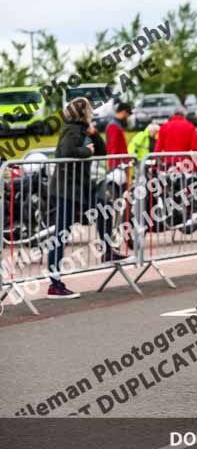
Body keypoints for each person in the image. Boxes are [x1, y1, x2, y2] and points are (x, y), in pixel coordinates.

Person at [46, 97, 126, 299]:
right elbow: (66, 152)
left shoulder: (82, 129)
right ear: (83, 112)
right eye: (89, 109)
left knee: (104, 206)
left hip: (79, 187)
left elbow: (103, 151)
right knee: (61, 234)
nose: (92, 111)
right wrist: (86, 151)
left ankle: (107, 248)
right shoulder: (71, 130)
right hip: (66, 189)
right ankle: (54, 284)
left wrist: (94, 135)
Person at [105, 102, 131, 169]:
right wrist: (114, 165)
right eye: (128, 115)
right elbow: (114, 146)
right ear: (124, 112)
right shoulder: (114, 125)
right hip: (118, 163)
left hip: (120, 162)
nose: (127, 118)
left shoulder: (116, 124)